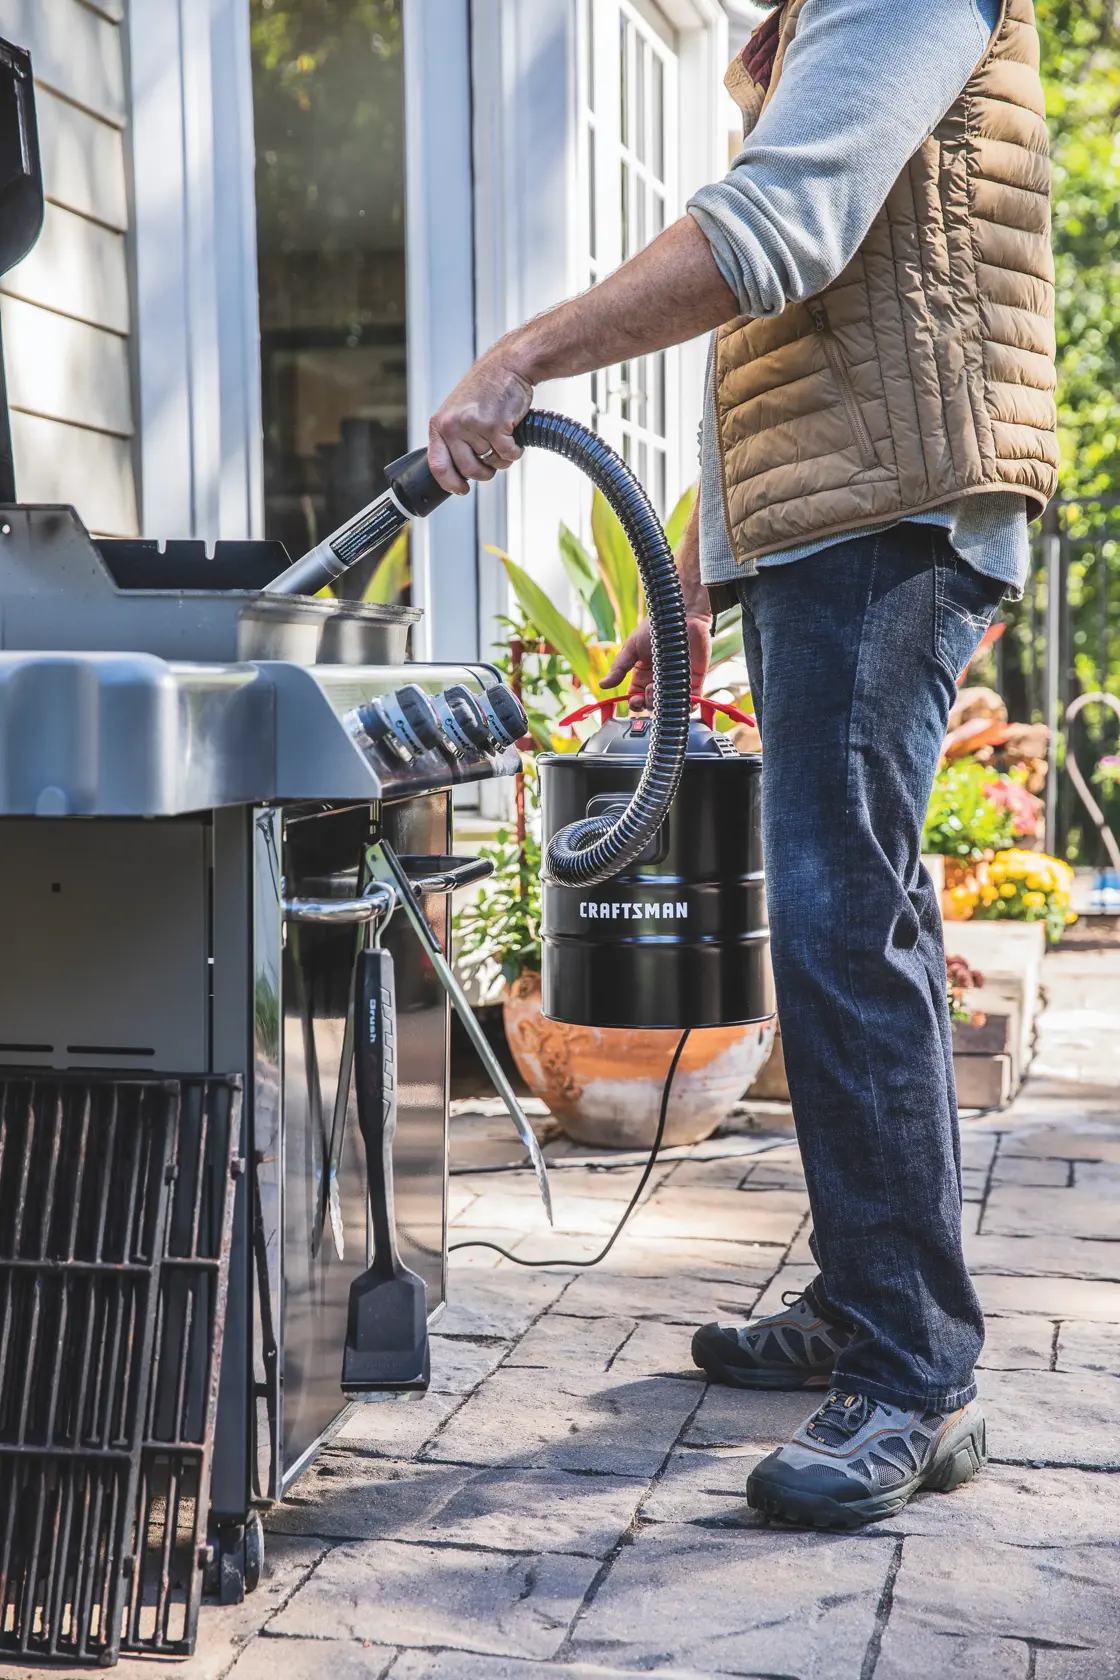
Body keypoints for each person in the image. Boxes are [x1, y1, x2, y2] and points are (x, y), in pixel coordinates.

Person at [427, 0, 1056, 1529]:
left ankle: (915, 1377)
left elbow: (781, 229)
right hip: (839, 523)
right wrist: (695, 583)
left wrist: (523, 357)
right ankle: (868, 1310)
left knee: (850, 927)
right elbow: (800, 339)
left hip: (892, 522)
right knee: (849, 920)